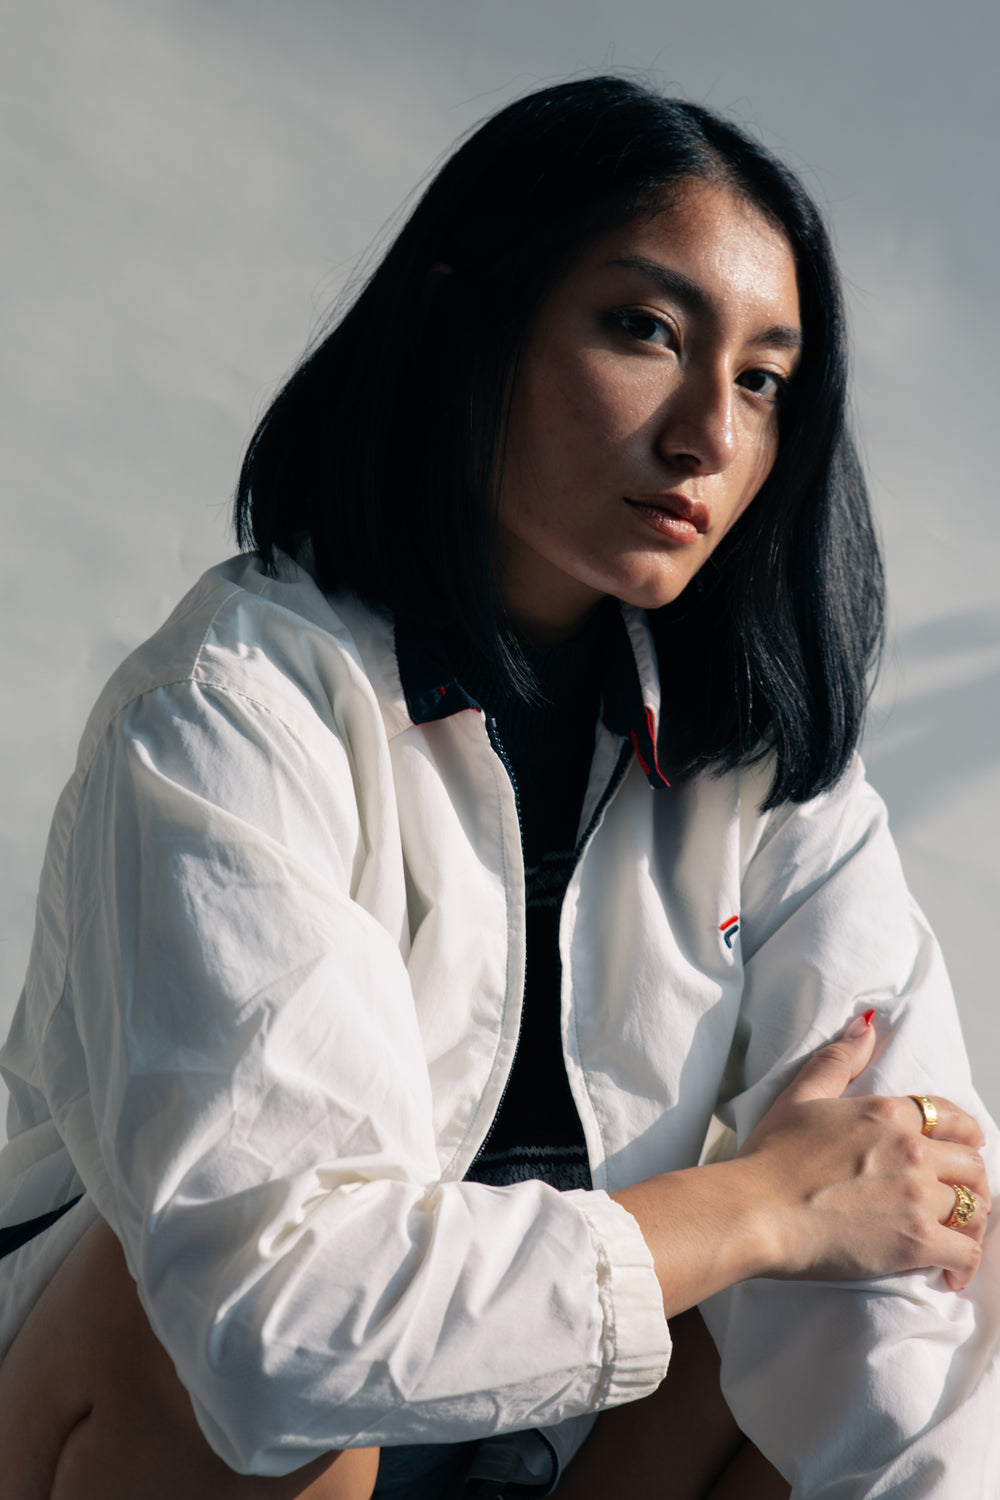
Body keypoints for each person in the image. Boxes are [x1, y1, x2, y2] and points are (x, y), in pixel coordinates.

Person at [0, 74, 997, 1500]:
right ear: (474, 323)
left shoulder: (772, 784)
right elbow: (274, 1332)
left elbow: (929, 1229)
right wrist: (755, 1204)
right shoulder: (233, 707)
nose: (712, 431)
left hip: (557, 1454)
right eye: (647, 330)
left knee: (862, 1292)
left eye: (764, 378)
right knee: (205, 1331)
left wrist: (822, 1226)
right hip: (184, 1443)